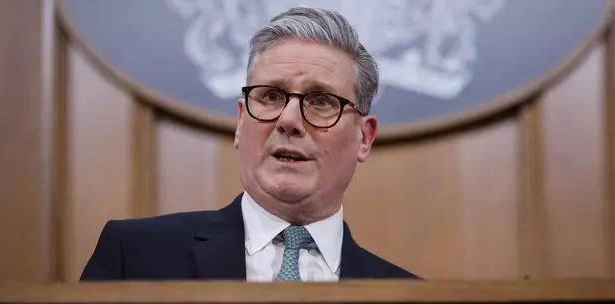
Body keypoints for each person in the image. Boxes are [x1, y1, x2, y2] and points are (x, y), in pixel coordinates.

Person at [80, 7, 419, 282]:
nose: (288, 120)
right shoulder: (134, 258)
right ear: (241, 122)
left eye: (320, 101)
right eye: (271, 96)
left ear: (364, 138)